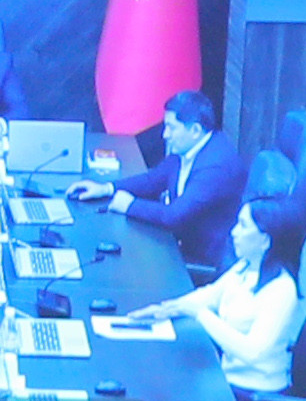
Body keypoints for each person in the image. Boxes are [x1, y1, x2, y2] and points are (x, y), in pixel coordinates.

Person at [127, 151, 305, 394]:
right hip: (228, 376)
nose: (234, 232)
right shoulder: (245, 266)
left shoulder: (282, 291)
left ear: (265, 240)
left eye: (243, 226)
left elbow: (252, 352)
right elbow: (211, 294)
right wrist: (166, 309)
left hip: (253, 392)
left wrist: (200, 314)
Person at [78, 89, 242, 270]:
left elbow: (174, 215)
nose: (165, 134)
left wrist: (130, 205)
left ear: (195, 130)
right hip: (179, 241)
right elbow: (154, 180)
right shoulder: (191, 147)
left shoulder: (216, 167)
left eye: (171, 127)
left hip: (204, 258)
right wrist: (107, 188)